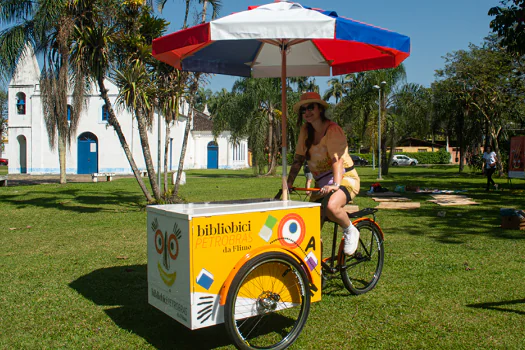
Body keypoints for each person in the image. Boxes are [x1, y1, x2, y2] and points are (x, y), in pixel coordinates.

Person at [286, 92, 361, 256]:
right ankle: (316, 269)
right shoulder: (306, 130)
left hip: (345, 178)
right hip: (321, 184)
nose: (307, 112)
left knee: (331, 207)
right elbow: (298, 158)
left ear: (320, 108)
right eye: (303, 109)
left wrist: (335, 185)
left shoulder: (333, 130)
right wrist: (288, 183)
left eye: (311, 107)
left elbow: (337, 160)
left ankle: (350, 230)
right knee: (307, 228)